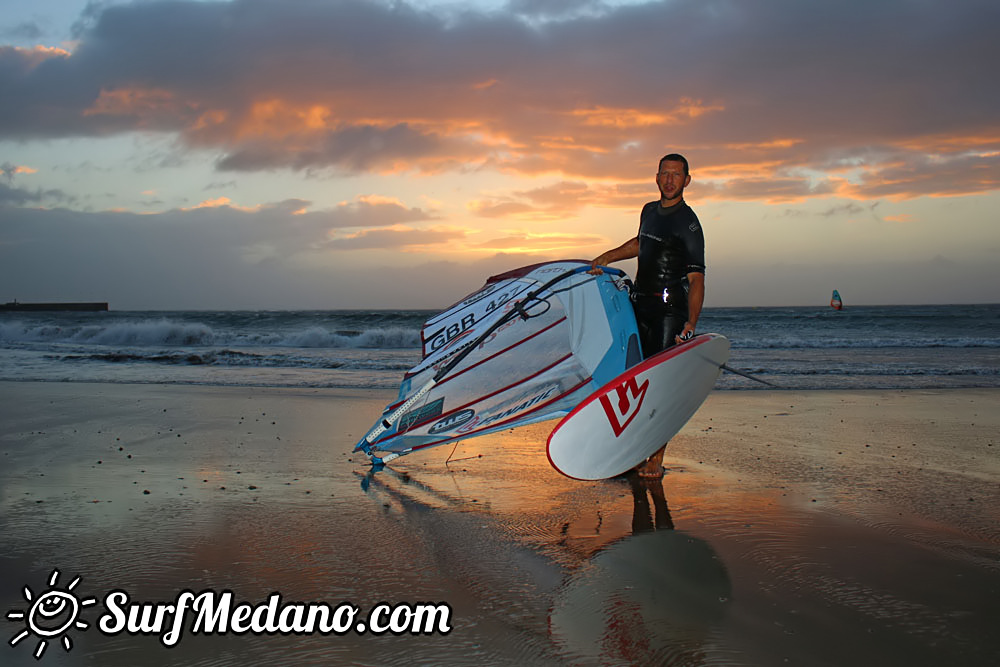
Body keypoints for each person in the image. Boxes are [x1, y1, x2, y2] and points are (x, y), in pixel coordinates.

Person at [589, 153, 706, 478]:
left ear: (687, 180)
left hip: (670, 310)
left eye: (676, 174)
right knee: (638, 381)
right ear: (656, 177)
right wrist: (609, 256)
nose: (670, 180)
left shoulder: (689, 223)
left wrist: (691, 322)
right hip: (640, 304)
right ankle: (639, 450)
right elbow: (642, 243)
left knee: (660, 385)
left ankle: (655, 458)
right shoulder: (649, 211)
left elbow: (697, 279)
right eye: (664, 174)